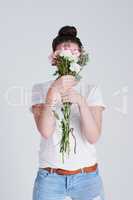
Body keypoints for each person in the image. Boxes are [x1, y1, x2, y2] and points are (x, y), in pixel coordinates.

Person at [30, 25, 107, 200]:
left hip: (87, 177)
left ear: (80, 58)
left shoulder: (91, 89)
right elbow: (45, 131)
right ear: (54, 59)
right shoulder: (39, 89)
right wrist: (53, 91)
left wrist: (80, 101)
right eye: (63, 52)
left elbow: (93, 137)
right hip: (50, 178)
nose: (68, 55)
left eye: (74, 52)